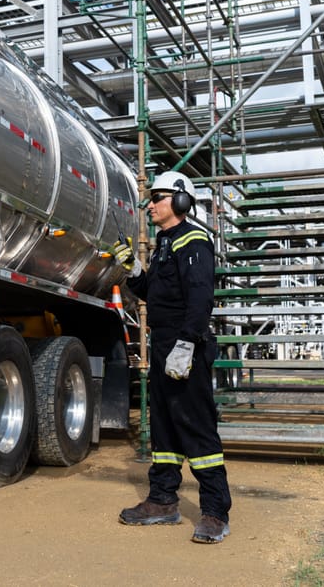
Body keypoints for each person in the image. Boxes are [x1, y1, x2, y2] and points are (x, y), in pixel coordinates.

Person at [111, 170, 232, 543]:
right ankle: (163, 501)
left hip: (185, 346)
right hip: (163, 344)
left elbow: (200, 299)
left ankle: (215, 512)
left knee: (196, 428)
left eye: (157, 198)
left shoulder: (194, 241)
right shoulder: (165, 243)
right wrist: (133, 267)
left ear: (180, 201)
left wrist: (187, 344)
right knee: (163, 427)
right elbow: (151, 291)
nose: (150, 205)